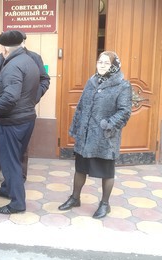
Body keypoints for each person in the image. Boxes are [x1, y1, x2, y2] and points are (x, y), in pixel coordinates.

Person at [58, 51, 132, 219]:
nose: (102, 65)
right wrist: (76, 128)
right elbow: (81, 107)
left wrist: (108, 125)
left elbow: (124, 111)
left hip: (104, 138)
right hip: (85, 136)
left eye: (106, 62)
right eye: (100, 61)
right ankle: (75, 198)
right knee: (80, 169)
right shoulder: (91, 82)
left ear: (113, 66)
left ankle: (105, 204)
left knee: (106, 172)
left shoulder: (123, 85)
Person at [0, 31, 50, 187]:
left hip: (17, 112)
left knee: (19, 149)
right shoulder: (1, 57)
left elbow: (44, 80)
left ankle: (17, 179)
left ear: (22, 42)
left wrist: (31, 99)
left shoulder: (33, 57)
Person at [0, 30, 40, 214]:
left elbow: (10, 97)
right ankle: (6, 189)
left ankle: (17, 202)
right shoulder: (29, 60)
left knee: (11, 163)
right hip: (26, 118)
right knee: (15, 158)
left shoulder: (12, 65)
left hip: (12, 122)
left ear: (4, 47)